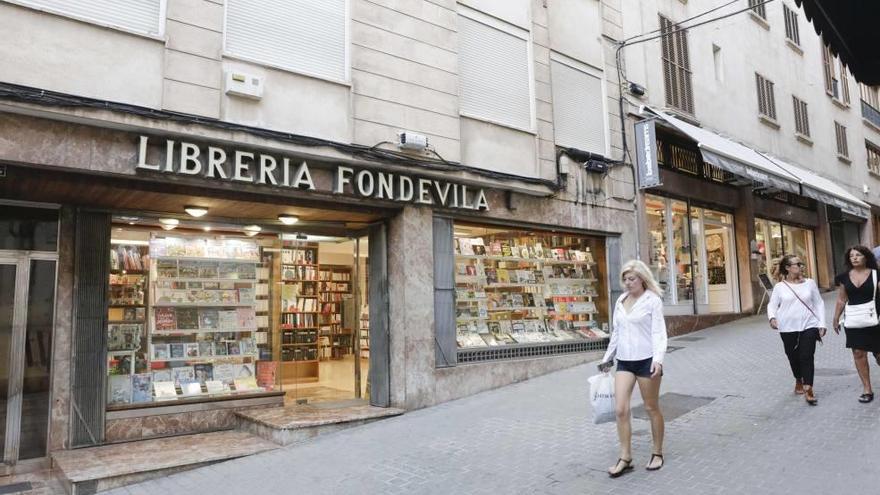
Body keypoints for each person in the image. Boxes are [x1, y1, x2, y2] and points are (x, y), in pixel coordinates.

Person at [598, 259, 668, 477]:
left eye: (632, 279)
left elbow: (659, 332)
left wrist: (658, 359)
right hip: (625, 361)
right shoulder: (620, 300)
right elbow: (616, 332)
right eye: (625, 279)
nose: (627, 283)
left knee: (651, 408)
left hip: (647, 360)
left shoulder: (652, 300)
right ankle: (625, 457)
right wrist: (607, 357)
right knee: (620, 409)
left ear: (642, 279)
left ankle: (657, 453)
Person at [767, 254, 826, 405]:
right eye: (797, 264)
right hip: (787, 327)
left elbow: (819, 303)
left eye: (801, 264)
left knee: (807, 356)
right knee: (793, 356)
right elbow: (772, 305)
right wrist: (772, 317)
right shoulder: (780, 287)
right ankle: (798, 379)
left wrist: (822, 323)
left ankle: (808, 388)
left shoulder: (810, 283)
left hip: (809, 325)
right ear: (787, 268)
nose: (800, 266)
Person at [832, 245, 880, 403]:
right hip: (854, 321)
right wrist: (835, 318)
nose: (854, 258)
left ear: (866, 257)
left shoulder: (876, 274)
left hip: (876, 319)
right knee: (858, 353)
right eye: (852, 256)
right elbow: (841, 299)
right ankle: (867, 389)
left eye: (858, 255)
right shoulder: (844, 277)